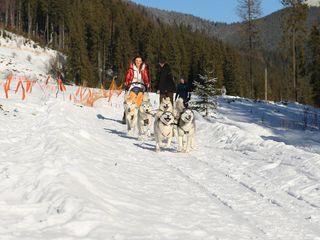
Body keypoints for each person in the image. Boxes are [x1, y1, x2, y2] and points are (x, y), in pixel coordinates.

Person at [122, 55, 150, 123]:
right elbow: (128, 77)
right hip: (132, 86)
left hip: (141, 86)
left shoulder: (144, 69)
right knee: (131, 100)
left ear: (142, 62)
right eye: (137, 61)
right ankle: (126, 115)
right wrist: (126, 82)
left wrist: (147, 83)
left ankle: (140, 116)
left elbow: (146, 77)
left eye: (140, 61)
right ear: (134, 61)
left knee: (139, 101)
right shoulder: (131, 69)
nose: (138, 62)